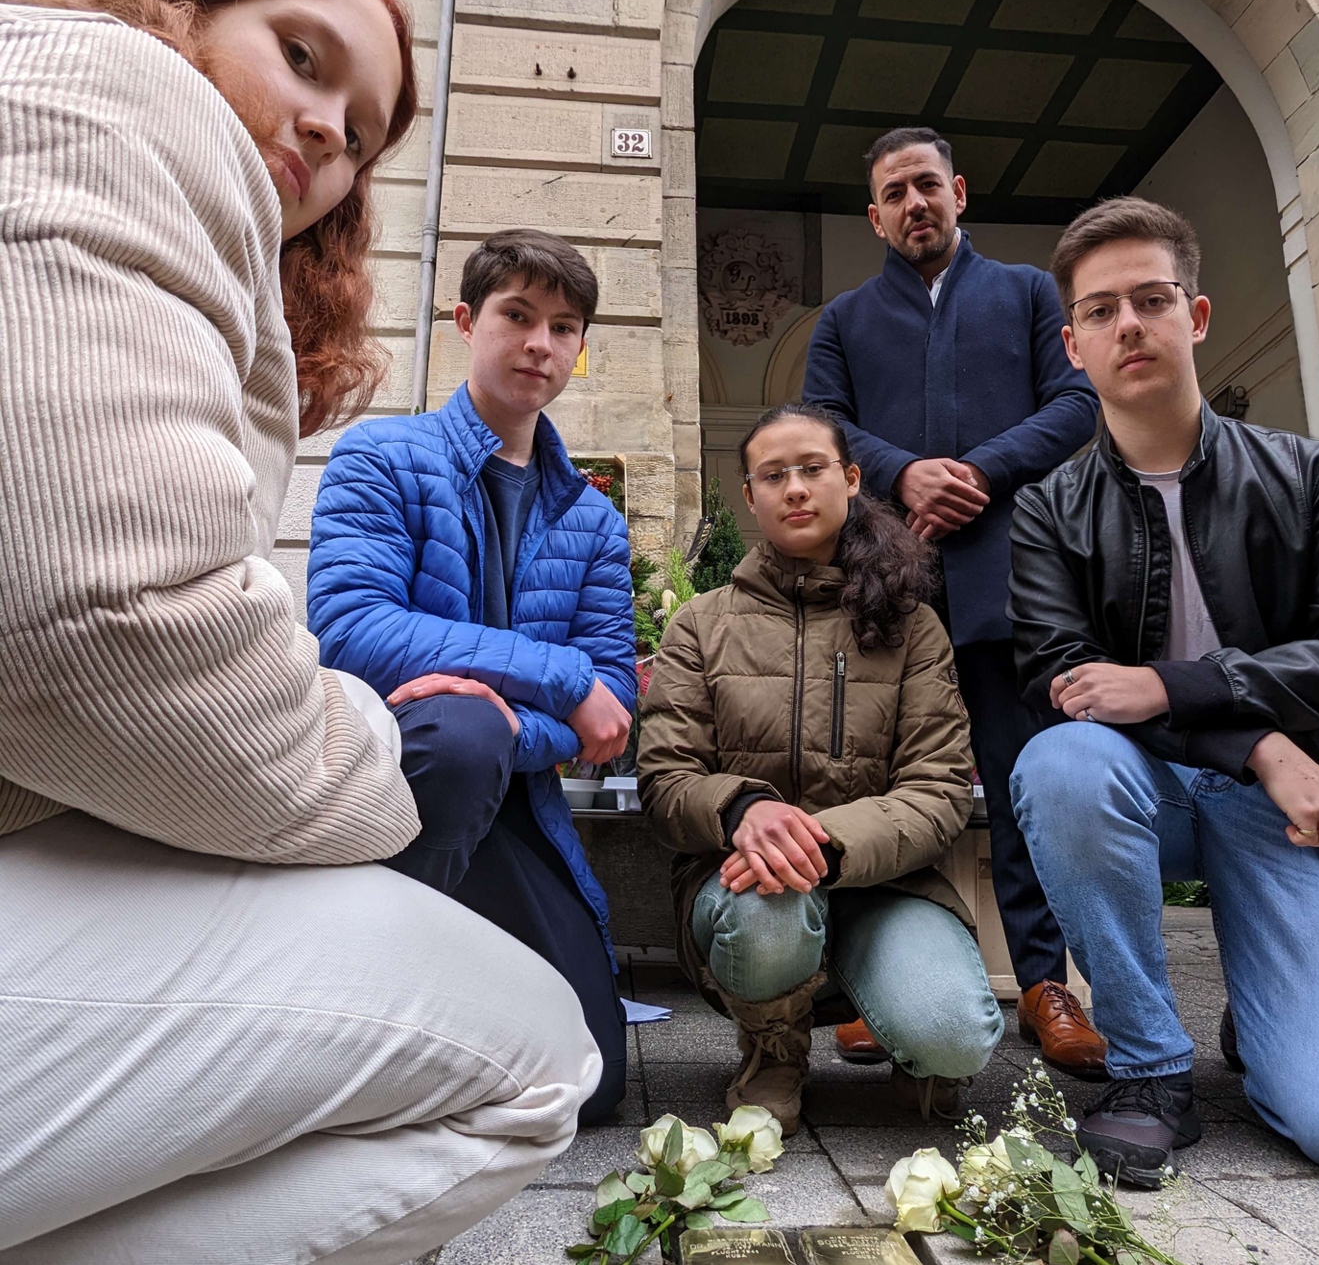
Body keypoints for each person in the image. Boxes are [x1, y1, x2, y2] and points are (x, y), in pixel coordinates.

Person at [0, 0, 599, 1265]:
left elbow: (623, 674)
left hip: (454, 783)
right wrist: (519, 688)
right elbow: (288, 618)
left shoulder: (583, 504)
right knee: (525, 1045)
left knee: (552, 1052)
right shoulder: (117, 102)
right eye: (305, 56)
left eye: (365, 128)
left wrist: (553, 696)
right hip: (376, 768)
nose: (330, 128)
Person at [1007, 195, 1319, 1188]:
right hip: (1160, 790)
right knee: (1061, 764)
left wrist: (1166, 685)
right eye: (1101, 310)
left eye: (1151, 299)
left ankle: (1267, 1000)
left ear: (1194, 316)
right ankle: (1150, 1071)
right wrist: (1261, 744)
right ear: (1074, 345)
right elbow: (1065, 684)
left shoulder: (1310, 475)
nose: (1129, 325)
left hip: (1295, 813)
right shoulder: (1050, 511)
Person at [307, 229, 635, 1123]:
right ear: (464, 321)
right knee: (460, 733)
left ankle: (443, 1036)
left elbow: (615, 706)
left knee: (596, 1082)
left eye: (562, 327)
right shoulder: (381, 457)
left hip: (517, 800)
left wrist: (513, 723)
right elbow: (350, 630)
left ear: (579, 346)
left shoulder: (593, 520)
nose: (539, 343)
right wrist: (557, 679)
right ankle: (360, 1000)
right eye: (516, 316)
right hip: (404, 786)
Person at [803, 126, 1106, 1078]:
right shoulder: (844, 320)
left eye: (927, 185)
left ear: (959, 191)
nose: (914, 204)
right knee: (884, 790)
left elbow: (1077, 401)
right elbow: (822, 426)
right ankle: (882, 985)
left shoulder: (1027, 292)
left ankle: (1046, 985)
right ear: (875, 216)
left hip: (1012, 585)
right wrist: (902, 473)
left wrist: (978, 471)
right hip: (889, 587)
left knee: (1021, 785)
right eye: (894, 193)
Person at [638, 402, 1002, 1133]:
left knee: (953, 1035)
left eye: (812, 469)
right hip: (744, 885)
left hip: (886, 886)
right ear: (750, 496)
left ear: (852, 479)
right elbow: (667, 778)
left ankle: (915, 1041)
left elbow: (937, 790)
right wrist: (743, 811)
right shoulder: (701, 625)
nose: (796, 489)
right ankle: (773, 1050)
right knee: (771, 908)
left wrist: (825, 844)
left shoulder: (911, 625)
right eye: (773, 476)